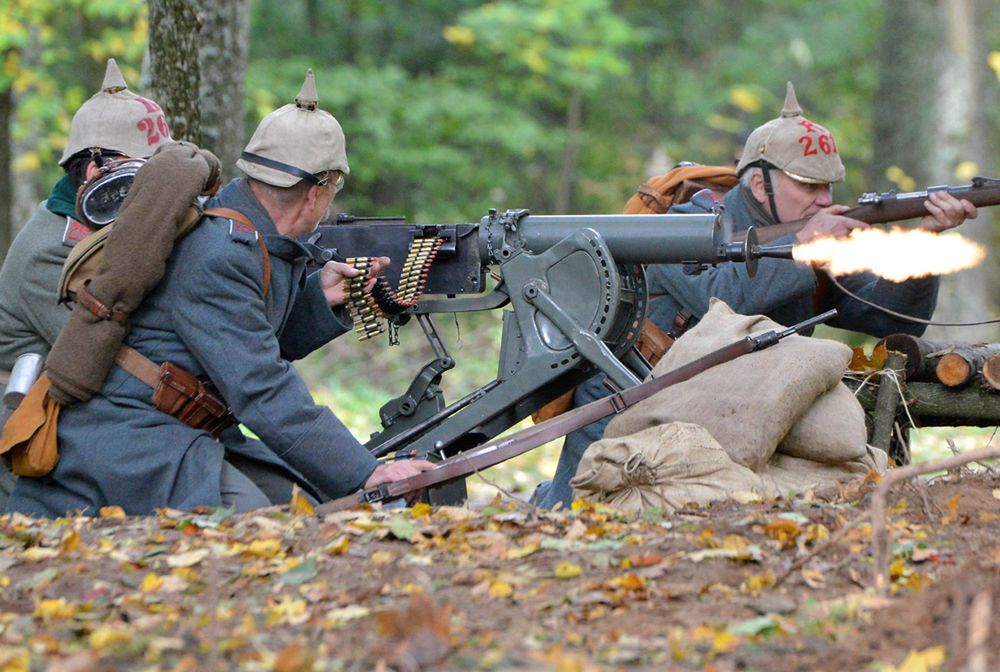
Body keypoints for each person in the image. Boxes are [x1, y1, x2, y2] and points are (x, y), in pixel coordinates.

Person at [5, 70, 433, 517]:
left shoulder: (246, 236)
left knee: (307, 506)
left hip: (181, 425)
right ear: (315, 193)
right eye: (334, 188)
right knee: (259, 523)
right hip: (128, 437)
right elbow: (259, 384)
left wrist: (316, 300)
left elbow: (236, 346)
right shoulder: (222, 250)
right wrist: (364, 472)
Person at [534, 82, 977, 510]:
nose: (824, 200)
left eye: (828, 187)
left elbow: (890, 320)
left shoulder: (813, 235)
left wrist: (924, 245)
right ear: (760, 185)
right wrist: (803, 248)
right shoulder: (686, 225)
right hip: (630, 399)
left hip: (737, 412)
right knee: (574, 512)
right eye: (808, 185)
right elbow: (721, 300)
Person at [0, 59, 174, 507]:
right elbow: (114, 360)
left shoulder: (112, 231)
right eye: (145, 175)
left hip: (84, 420)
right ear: (97, 174)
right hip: (32, 440)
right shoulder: (49, 252)